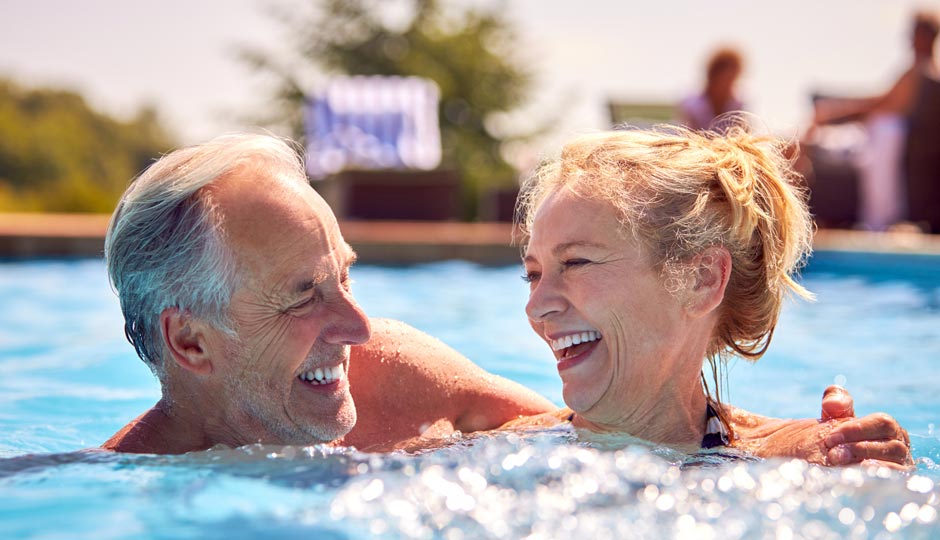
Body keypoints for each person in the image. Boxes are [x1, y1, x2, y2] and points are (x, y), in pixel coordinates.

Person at [101, 132, 910, 468]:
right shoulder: (95, 489)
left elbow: (616, 430)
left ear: (702, 277)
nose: (355, 327)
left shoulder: (383, 380)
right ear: (192, 344)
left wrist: (782, 451)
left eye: (344, 277)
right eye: (532, 273)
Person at [510, 125, 912, 468]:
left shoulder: (787, 463)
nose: (536, 305)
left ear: (701, 280)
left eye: (576, 263)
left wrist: (866, 465)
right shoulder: (494, 446)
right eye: (533, 274)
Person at [811, 11, 939, 231]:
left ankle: (876, 221)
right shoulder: (927, 74)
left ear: (924, 36)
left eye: (914, 33)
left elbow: (879, 105)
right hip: (906, 164)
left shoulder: (918, 74)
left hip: (892, 157)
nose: (909, 39)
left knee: (883, 126)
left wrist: (831, 116)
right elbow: (881, 100)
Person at [678, 47, 747, 133]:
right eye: (724, 79)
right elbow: (688, 135)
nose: (728, 85)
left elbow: (743, 133)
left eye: (732, 79)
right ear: (713, 75)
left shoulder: (738, 105)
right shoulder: (692, 105)